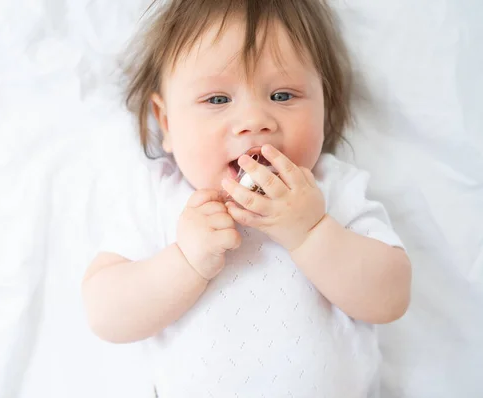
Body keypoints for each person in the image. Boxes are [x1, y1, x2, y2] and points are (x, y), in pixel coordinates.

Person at [82, 1, 412, 396]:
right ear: (167, 122)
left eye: (283, 95)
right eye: (218, 100)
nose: (255, 120)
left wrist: (311, 233)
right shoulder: (158, 196)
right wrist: (185, 261)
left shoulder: (330, 189)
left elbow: (391, 297)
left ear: (324, 106)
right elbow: (105, 313)